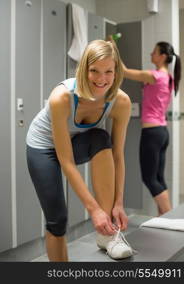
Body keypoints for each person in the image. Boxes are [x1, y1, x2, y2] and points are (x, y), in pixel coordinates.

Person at [26, 39, 133, 261]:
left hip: (76, 142)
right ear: (84, 68)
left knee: (101, 137)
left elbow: (118, 156)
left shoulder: (120, 102)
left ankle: (108, 235)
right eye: (94, 70)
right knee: (57, 220)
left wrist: (118, 203)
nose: (101, 79)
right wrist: (93, 210)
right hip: (43, 147)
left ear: (116, 72)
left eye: (108, 72)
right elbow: (66, 161)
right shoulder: (62, 97)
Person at [121, 41, 181, 216]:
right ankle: (163, 220)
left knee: (149, 178)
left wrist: (113, 47)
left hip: (152, 132)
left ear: (162, 56)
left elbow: (124, 72)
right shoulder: (169, 78)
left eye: (154, 52)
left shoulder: (155, 76)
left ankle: (171, 221)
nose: (150, 54)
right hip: (162, 132)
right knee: (159, 179)